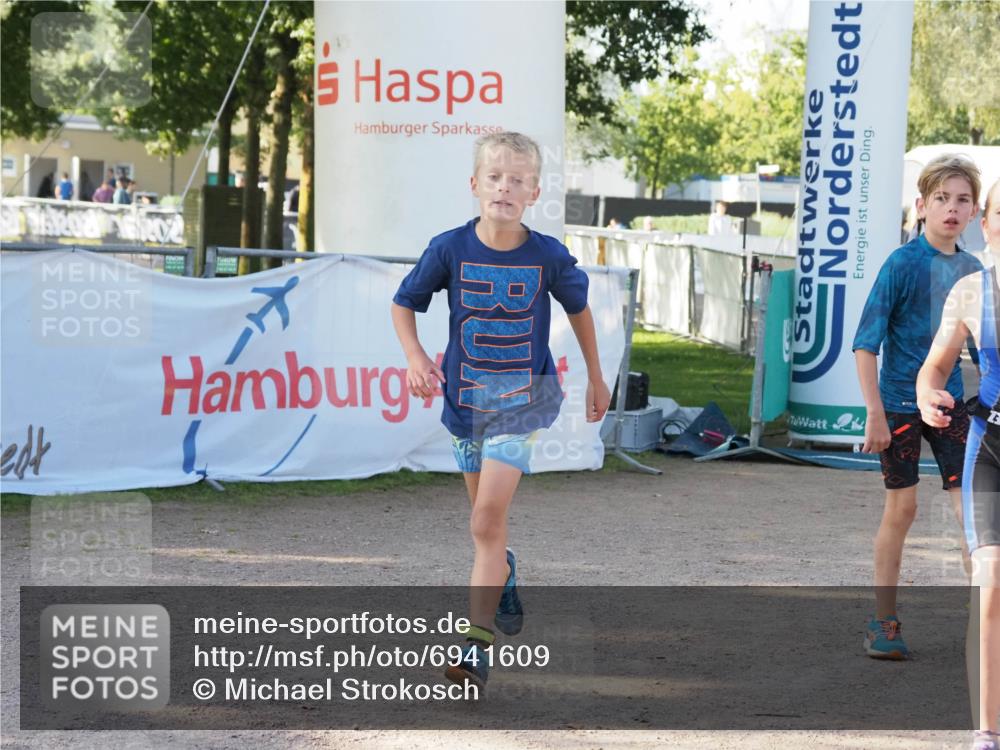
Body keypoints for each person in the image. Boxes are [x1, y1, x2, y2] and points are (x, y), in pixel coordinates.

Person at [390, 131, 611, 694]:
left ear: (534, 192)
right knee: (487, 531)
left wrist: (596, 375)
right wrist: (416, 357)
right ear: (474, 185)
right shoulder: (449, 248)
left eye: (517, 180)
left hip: (521, 401)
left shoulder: (547, 256)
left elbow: (580, 310)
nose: (504, 188)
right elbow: (404, 303)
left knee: (485, 521)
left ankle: (476, 648)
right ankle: (505, 571)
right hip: (464, 404)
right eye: (494, 177)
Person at [853, 154, 983, 659]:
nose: (952, 209)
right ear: (922, 205)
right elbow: (866, 343)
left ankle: (986, 626)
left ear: (975, 213)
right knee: (902, 509)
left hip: (952, 408)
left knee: (974, 517)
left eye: (963, 200)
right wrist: (875, 412)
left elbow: (985, 353)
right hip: (900, 408)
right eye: (942, 199)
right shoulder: (901, 264)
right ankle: (883, 622)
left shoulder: (974, 273)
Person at [917, 178, 1000, 750]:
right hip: (992, 448)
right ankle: (987, 730)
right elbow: (933, 369)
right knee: (990, 585)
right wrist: (928, 395)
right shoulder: (971, 292)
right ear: (987, 222)